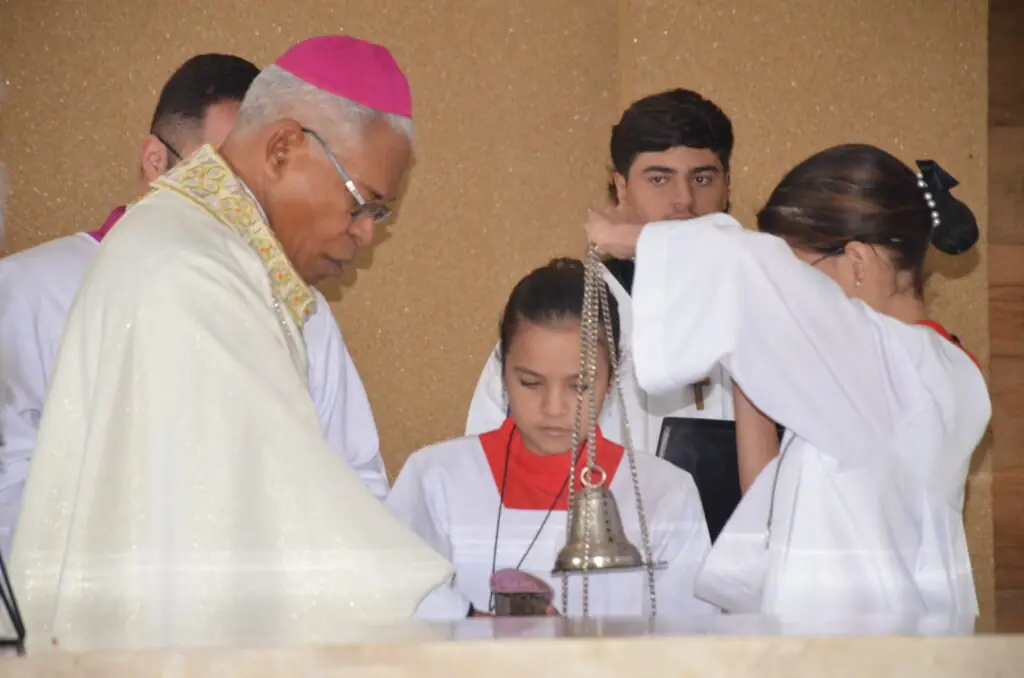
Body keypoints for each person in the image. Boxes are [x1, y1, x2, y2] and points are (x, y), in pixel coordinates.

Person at [5, 36, 467, 653]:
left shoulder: (215, 254)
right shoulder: (191, 269)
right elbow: (287, 495)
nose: (364, 234)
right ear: (282, 149)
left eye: (377, 217)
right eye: (363, 204)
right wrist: (451, 622)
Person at [0, 54, 389, 559]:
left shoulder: (302, 313)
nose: (241, 207)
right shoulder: (27, 291)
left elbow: (355, 483)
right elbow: (13, 487)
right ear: (155, 161)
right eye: (221, 177)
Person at [584, 143, 990, 621]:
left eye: (803, 278)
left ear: (858, 262)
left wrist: (642, 238)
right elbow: (775, 513)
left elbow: (742, 263)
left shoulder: (895, 365)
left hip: (865, 642)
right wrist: (750, 355)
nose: (792, 303)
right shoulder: (903, 373)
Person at [388, 258, 716, 618]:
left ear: (612, 379)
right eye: (530, 383)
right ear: (502, 372)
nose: (554, 408)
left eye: (580, 386)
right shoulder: (436, 479)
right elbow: (394, 598)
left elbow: (691, 633)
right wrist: (475, 625)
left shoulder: (664, 494)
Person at [465, 89, 736, 458]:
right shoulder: (564, 316)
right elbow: (487, 466)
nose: (684, 200)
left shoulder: (754, 305)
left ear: (726, 186)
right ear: (622, 188)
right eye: (659, 179)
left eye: (702, 179)